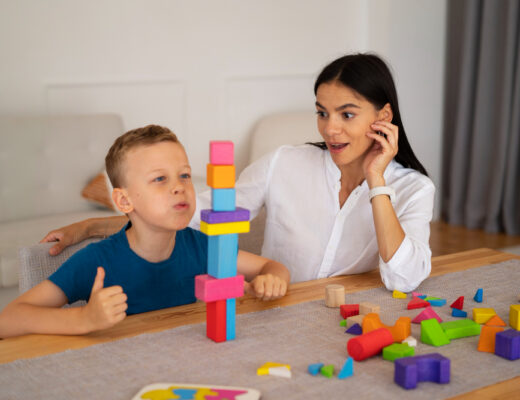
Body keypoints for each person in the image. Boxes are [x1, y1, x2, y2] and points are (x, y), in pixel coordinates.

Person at [40, 53, 434, 292]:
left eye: (347, 114)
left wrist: (377, 181)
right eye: (322, 112)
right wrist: (92, 227)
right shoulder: (285, 161)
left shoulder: (413, 188)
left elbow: (403, 278)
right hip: (275, 309)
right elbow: (193, 215)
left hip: (347, 319)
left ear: (384, 116)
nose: (330, 128)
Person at [0, 126, 290, 338]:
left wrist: (272, 279)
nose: (179, 186)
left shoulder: (202, 245)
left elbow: (270, 266)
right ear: (124, 201)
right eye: (160, 179)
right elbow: (9, 319)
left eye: (184, 175)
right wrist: (84, 319)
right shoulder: (97, 260)